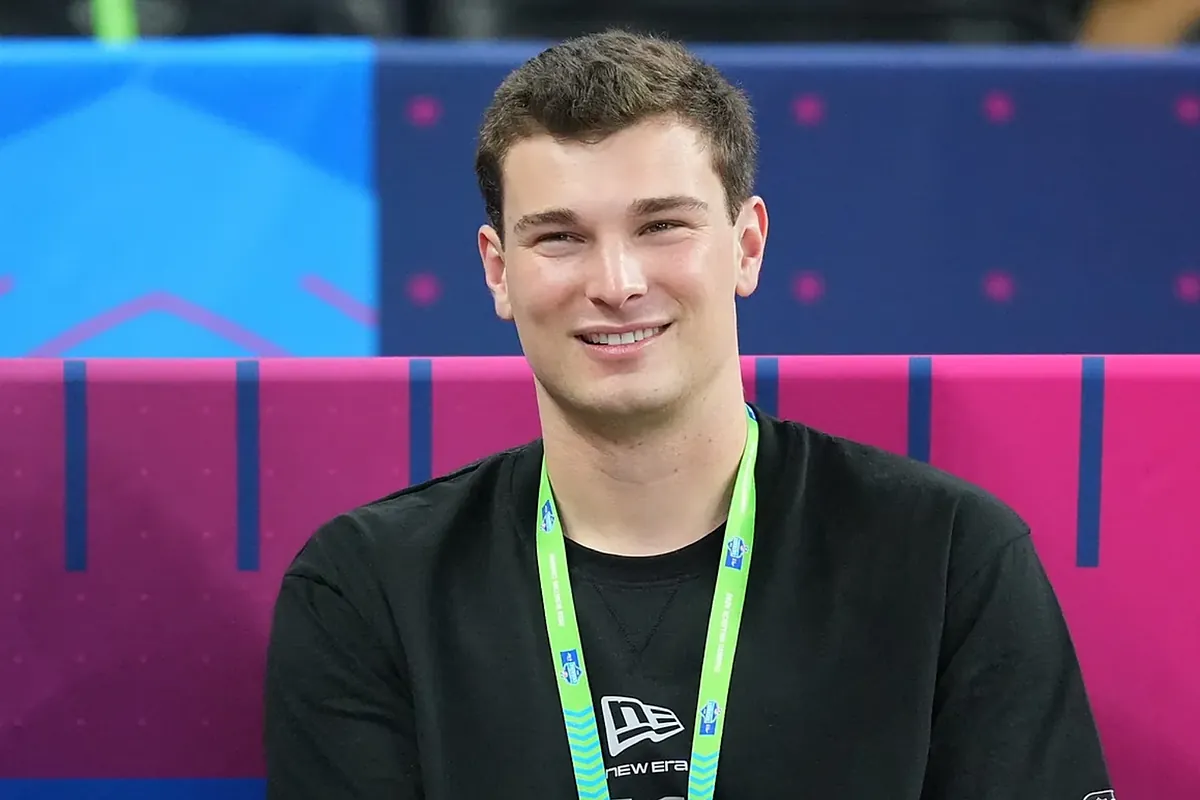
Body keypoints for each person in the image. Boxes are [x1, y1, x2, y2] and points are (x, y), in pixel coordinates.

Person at [263, 29, 1114, 800]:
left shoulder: (948, 556)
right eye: (559, 237)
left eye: (663, 226)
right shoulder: (369, 590)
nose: (617, 283)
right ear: (498, 271)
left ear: (747, 245)